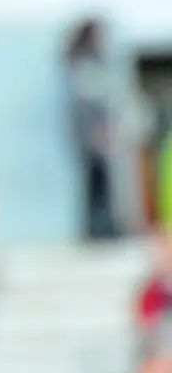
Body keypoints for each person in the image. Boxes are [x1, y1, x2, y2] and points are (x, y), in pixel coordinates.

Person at [66, 18, 120, 240]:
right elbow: (88, 105)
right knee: (97, 183)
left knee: (100, 183)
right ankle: (98, 229)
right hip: (91, 136)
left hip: (93, 135)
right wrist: (96, 133)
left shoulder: (91, 63)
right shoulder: (85, 65)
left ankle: (101, 227)